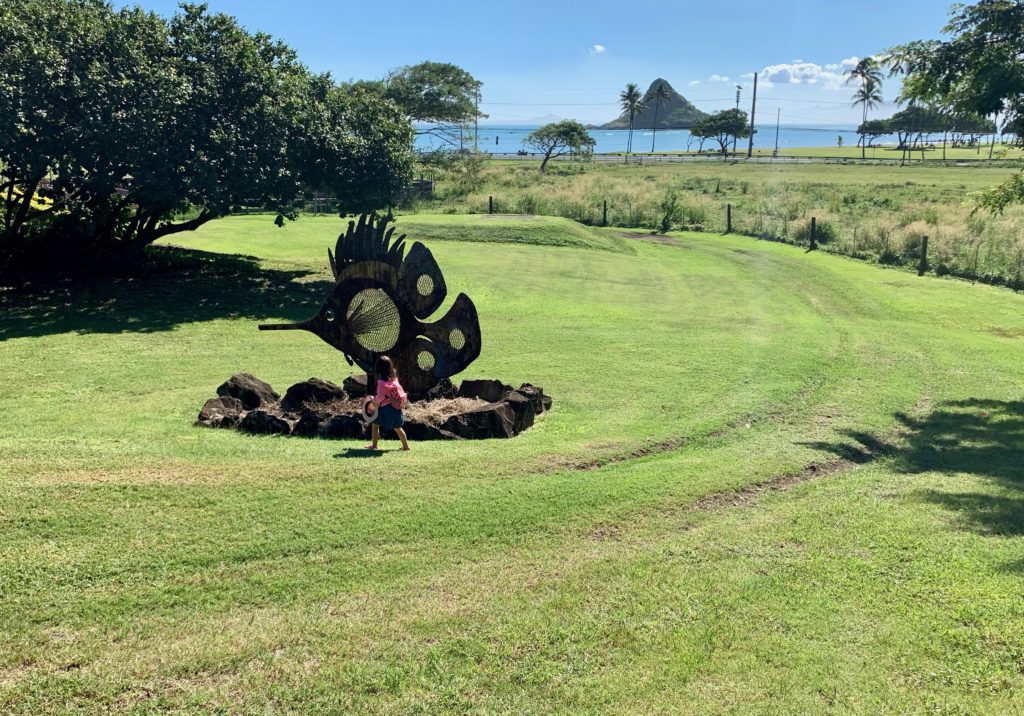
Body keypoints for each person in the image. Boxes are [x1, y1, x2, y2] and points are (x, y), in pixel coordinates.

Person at [366, 355, 410, 451]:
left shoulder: (381, 382)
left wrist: (374, 400)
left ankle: (374, 445)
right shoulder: (394, 380)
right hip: (396, 407)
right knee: (398, 428)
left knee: (375, 425)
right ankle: (406, 447)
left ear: (378, 368)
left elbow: (381, 397)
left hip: (385, 409)